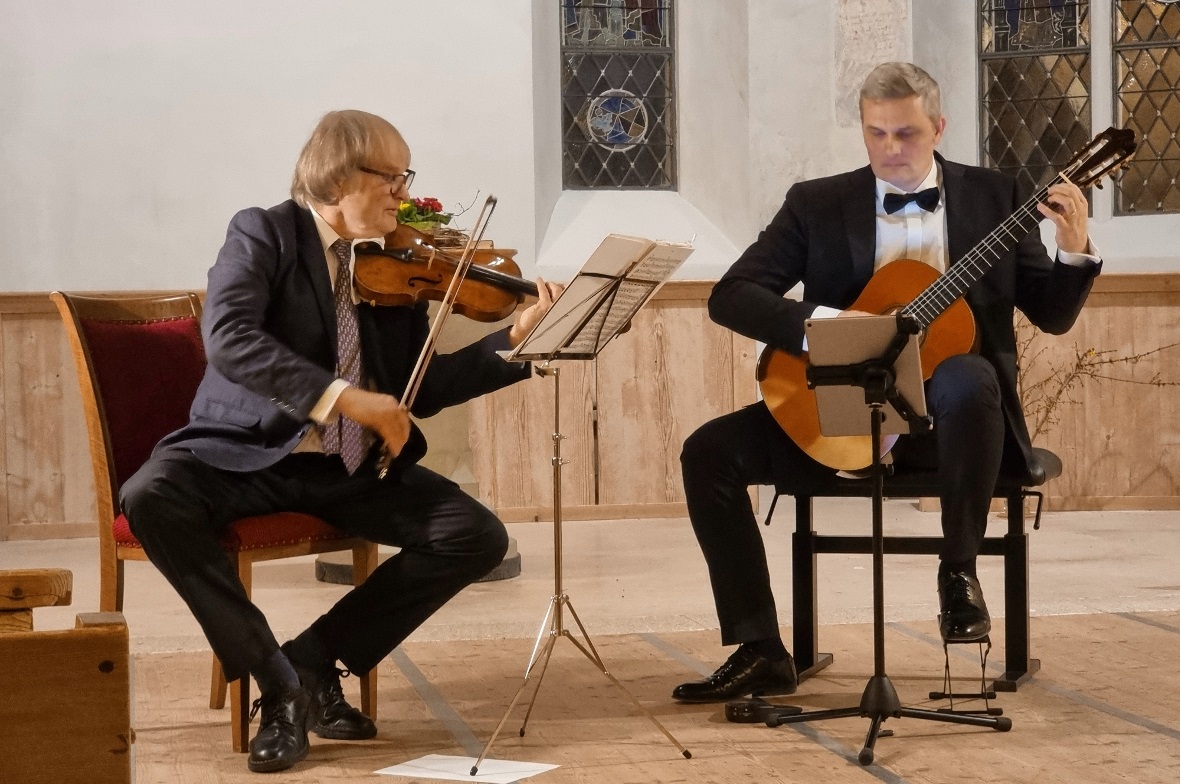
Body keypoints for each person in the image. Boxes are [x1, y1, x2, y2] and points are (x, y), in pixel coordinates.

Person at [120, 109, 562, 772]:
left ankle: (313, 657)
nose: (405, 195)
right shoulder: (263, 232)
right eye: (392, 177)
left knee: (474, 534)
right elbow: (231, 338)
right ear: (336, 177)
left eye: (405, 178)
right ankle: (276, 683)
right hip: (245, 454)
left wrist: (514, 342)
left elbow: (423, 388)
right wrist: (341, 397)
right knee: (151, 494)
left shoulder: (392, 267)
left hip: (345, 464)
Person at [673, 62, 1100, 704]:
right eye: (876, 134)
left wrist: (1074, 246)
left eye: (906, 134)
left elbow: (1053, 314)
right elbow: (731, 295)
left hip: (958, 432)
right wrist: (827, 325)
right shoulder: (816, 202)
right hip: (840, 417)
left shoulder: (997, 197)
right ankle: (760, 648)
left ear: (938, 128)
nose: (891, 150)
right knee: (708, 452)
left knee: (967, 373)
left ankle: (957, 575)